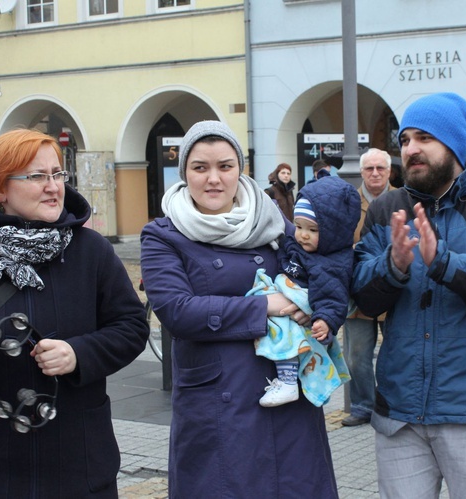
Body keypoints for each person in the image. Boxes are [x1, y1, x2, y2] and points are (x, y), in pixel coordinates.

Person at [0, 129, 149, 498]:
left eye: (57, 174)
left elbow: (132, 326)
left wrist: (78, 354)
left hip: (80, 460)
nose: (53, 186)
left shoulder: (92, 251)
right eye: (37, 176)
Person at [352, 93, 466, 498]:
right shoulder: (387, 209)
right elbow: (364, 300)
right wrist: (394, 266)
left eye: (424, 138)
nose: (411, 149)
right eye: (404, 140)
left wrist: (444, 263)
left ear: (455, 144)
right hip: (399, 415)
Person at [140, 120, 338, 498]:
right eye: (200, 168)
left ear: (239, 170)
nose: (213, 179)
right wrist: (267, 306)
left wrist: (308, 306)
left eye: (225, 166)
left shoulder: (273, 221)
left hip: (284, 390)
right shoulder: (163, 234)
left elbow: (316, 271)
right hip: (217, 402)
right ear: (184, 173)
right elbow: (178, 311)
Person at [255, 176, 359, 407]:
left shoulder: (331, 263)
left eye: (312, 229)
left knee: (286, 334)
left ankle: (288, 381)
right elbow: (287, 238)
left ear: (334, 232)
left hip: (300, 300)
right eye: (299, 226)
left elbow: (333, 296)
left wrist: (325, 320)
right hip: (286, 291)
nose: (302, 234)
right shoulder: (302, 245)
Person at [341, 147, 396, 427]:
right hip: (358, 290)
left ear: (389, 171)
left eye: (380, 168)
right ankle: (364, 406)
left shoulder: (404, 199)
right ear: (361, 172)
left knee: (397, 351)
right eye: (369, 169)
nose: (375, 173)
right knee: (356, 355)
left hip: (395, 290)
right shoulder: (348, 201)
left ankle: (393, 403)